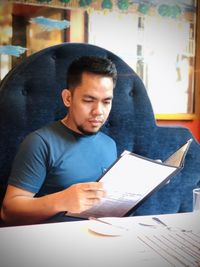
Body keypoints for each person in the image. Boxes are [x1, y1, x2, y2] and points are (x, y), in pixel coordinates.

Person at [1, 56, 118, 225]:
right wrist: (62, 201)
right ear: (68, 98)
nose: (98, 111)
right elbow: (8, 212)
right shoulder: (40, 143)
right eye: (88, 100)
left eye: (106, 102)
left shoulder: (110, 144)